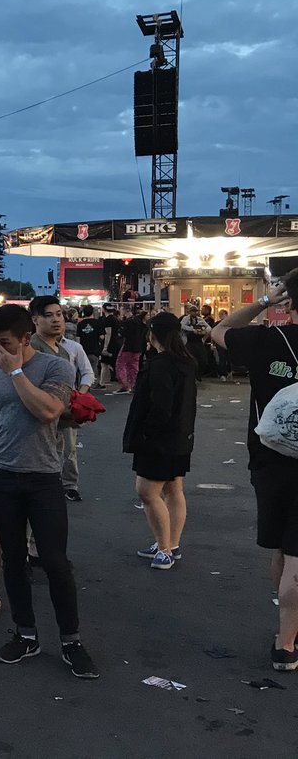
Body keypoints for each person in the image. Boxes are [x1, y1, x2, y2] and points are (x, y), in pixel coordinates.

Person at [0, 305, 99, 679]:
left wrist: (16, 372)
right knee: (14, 561)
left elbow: (50, 411)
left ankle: (71, 640)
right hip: (2, 479)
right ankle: (25, 633)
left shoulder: (56, 368)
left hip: (43, 479)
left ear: (25, 339)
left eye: (4, 343)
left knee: (55, 562)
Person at [212, 270, 298, 672]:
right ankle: (287, 642)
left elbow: (220, 329)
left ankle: (286, 636)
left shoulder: (267, 340)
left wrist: (267, 300)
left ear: (290, 301)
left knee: (283, 547)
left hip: (270, 458)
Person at [123, 312, 196, 571]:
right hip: (180, 437)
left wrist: (146, 433)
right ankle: (170, 544)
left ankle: (163, 549)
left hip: (158, 441)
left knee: (147, 492)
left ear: (152, 334)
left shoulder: (160, 364)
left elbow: (160, 406)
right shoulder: (185, 362)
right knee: (173, 489)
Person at [28, 295, 95, 502]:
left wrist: (77, 408)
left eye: (59, 314)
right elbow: (35, 393)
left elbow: (76, 381)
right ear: (35, 320)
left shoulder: (64, 350)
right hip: (39, 428)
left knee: (65, 454)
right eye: (48, 315)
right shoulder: (33, 348)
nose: (56, 320)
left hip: (59, 422)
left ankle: (66, 485)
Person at [115, 309, 147, 393]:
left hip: (127, 347)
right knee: (134, 367)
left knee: (121, 365)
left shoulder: (127, 323)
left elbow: (121, 334)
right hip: (138, 348)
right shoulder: (142, 325)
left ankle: (125, 385)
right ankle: (134, 385)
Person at [75, 305, 104, 389]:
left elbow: (78, 339)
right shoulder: (98, 323)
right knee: (92, 370)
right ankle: (88, 387)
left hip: (83, 351)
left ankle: (82, 388)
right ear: (93, 312)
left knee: (82, 371)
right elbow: (102, 337)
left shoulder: (80, 324)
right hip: (94, 350)